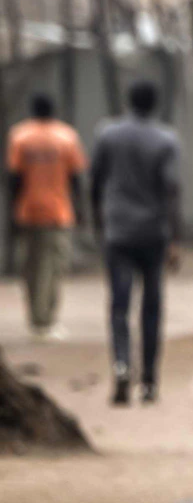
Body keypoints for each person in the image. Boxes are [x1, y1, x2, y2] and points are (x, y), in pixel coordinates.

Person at [92, 80, 181, 405]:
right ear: (154, 103)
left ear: (128, 100)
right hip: (153, 233)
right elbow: (171, 190)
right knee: (151, 307)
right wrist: (175, 238)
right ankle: (148, 381)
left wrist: (99, 222)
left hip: (117, 230)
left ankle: (120, 365)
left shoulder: (107, 134)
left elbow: (95, 182)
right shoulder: (165, 139)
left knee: (119, 303)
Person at [7, 93, 86, 340]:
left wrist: (11, 212)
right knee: (52, 268)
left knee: (31, 267)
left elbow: (13, 179)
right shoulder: (67, 136)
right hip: (58, 212)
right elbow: (75, 178)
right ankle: (48, 321)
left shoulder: (20, 136)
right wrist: (80, 210)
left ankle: (35, 318)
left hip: (27, 211)